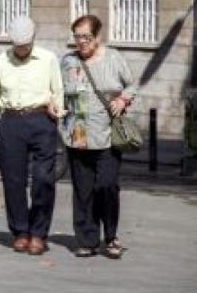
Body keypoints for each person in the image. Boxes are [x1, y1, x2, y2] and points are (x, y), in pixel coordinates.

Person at [0, 16, 64, 256]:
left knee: (43, 178)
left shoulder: (48, 59)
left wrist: (56, 112)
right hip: (12, 121)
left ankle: (39, 233)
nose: (22, 50)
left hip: (41, 119)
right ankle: (20, 231)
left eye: (26, 45)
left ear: (33, 39)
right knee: (13, 180)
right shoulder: (0, 62)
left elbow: (57, 90)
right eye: (18, 46)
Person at [60, 14, 136, 259]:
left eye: (86, 37)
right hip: (78, 136)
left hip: (106, 136)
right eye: (77, 37)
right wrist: (55, 106)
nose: (81, 42)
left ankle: (111, 236)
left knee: (106, 185)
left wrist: (123, 99)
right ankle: (87, 240)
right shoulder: (68, 62)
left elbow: (132, 85)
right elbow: (58, 91)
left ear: (97, 36)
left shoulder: (113, 58)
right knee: (83, 191)